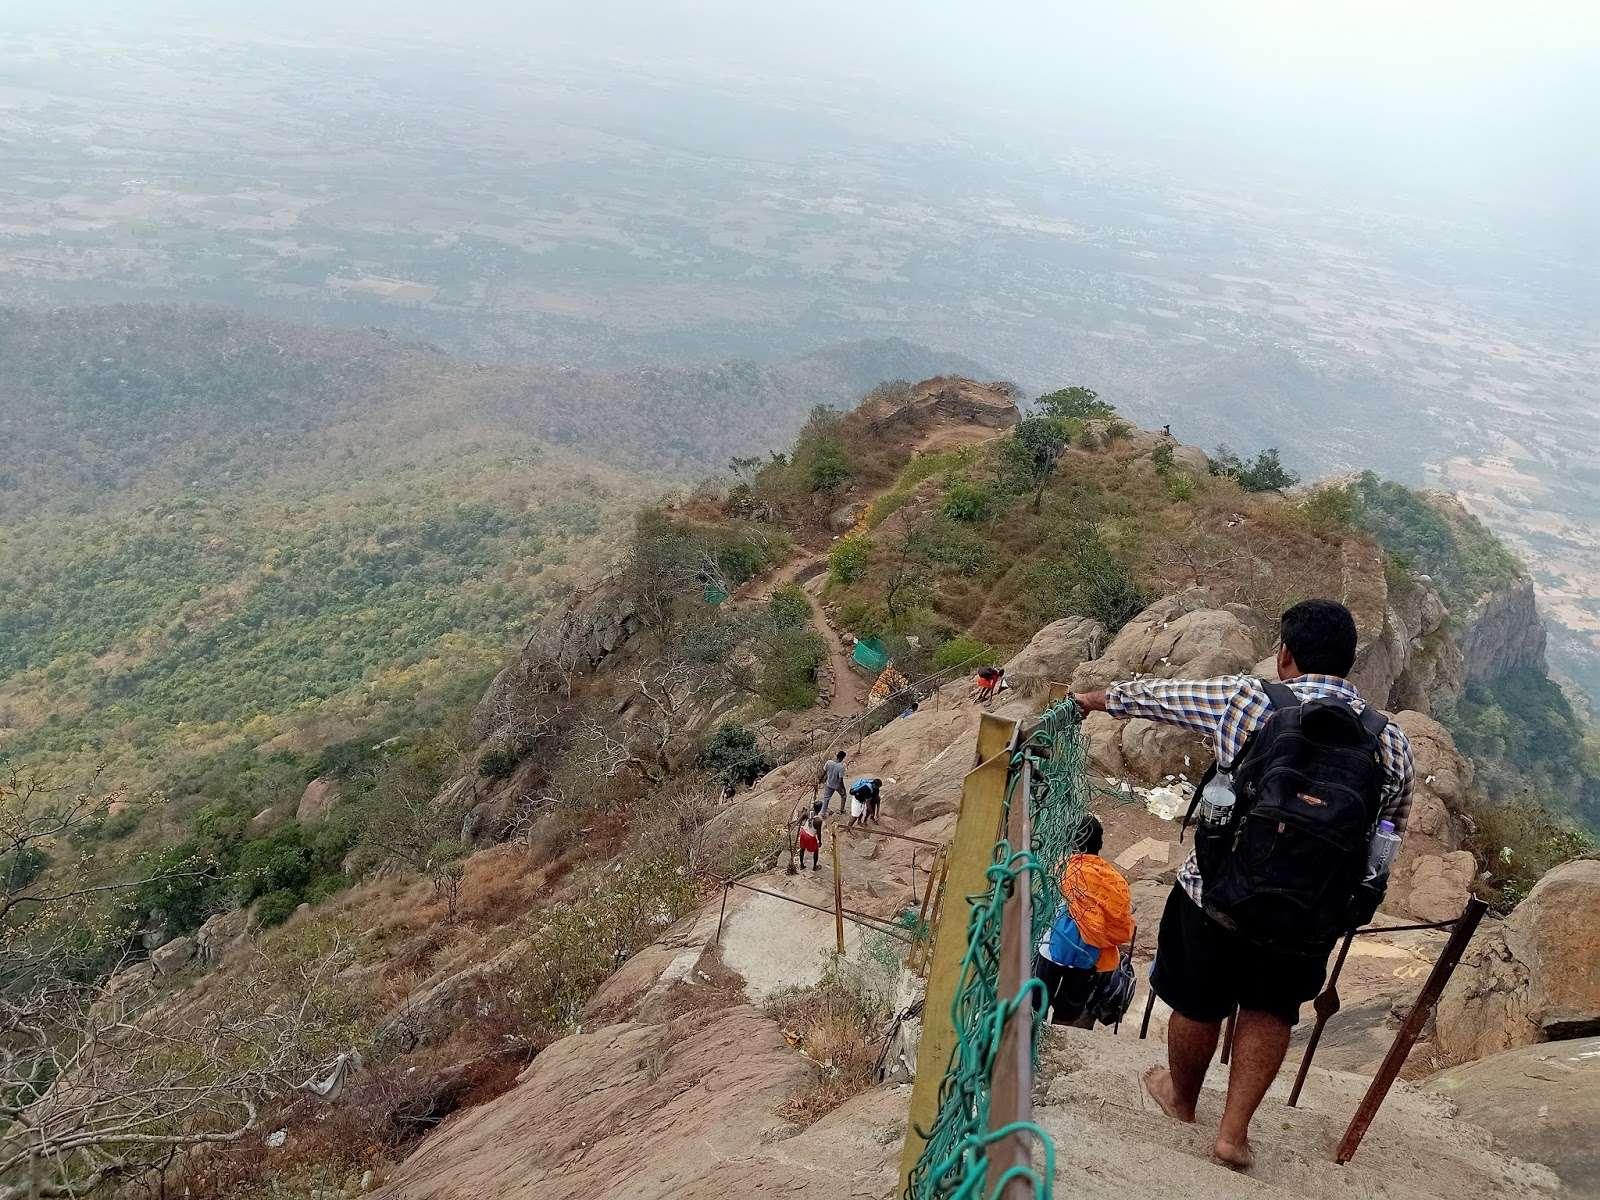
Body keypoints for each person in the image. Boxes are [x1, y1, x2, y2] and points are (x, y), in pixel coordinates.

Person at [1071, 599, 1414, 1171]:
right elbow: (1387, 838)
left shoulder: (1248, 699)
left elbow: (1162, 698)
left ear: (1285, 655)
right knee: (1271, 1009)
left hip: (1218, 895)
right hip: (1309, 916)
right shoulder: (1389, 742)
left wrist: (1096, 699)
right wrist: (1351, 904)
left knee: (1198, 1002)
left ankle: (1181, 1099)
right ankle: (1233, 1133)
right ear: (1349, 663)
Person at [1032, 814, 1134, 1029]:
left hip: (1051, 949)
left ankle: (1034, 1038)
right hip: (1088, 956)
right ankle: (1060, 1039)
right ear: (1101, 843)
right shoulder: (1115, 880)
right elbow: (1120, 921)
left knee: (1035, 1003)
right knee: (1069, 1011)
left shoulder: (1062, 869)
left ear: (1070, 841)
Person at [818, 750, 848, 815]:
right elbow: (840, 780)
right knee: (844, 796)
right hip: (837, 786)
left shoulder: (829, 762)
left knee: (826, 798)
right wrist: (843, 788)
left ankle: (822, 813)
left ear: (837, 756)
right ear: (843, 758)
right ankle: (842, 810)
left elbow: (824, 772)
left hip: (829, 784)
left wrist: (820, 780)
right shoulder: (841, 767)